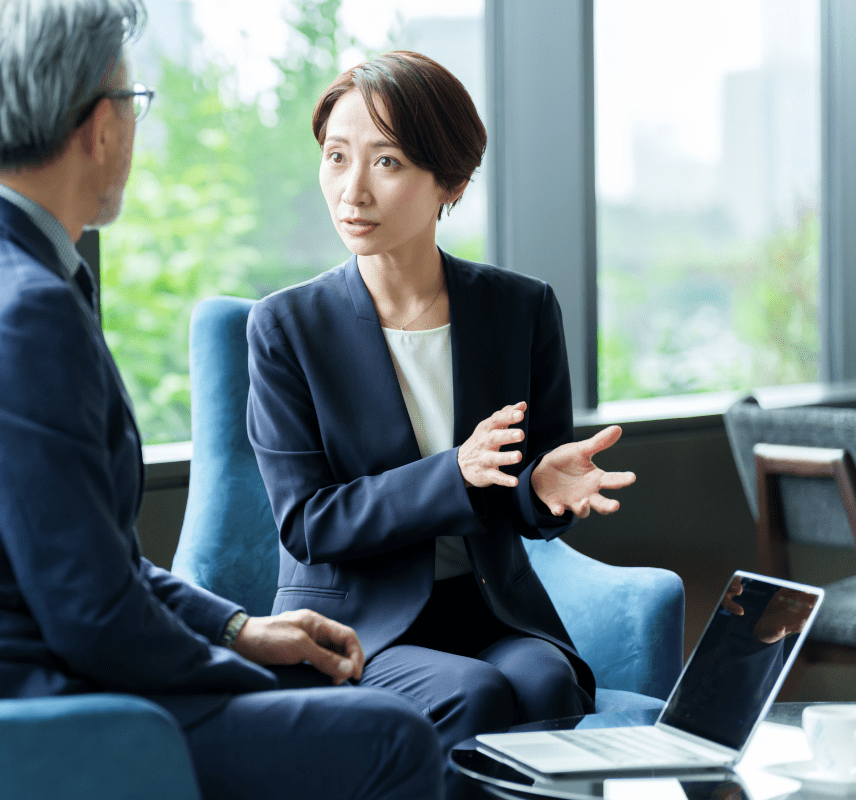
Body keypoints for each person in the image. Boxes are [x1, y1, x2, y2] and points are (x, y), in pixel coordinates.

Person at [0, 4, 442, 799]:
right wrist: (251, 678)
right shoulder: (23, 308)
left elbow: (89, 567)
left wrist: (239, 628)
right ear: (99, 127)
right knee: (390, 737)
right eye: (132, 101)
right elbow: (92, 617)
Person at [246, 51, 637, 798]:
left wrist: (541, 491)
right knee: (475, 694)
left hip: (487, 607)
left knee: (547, 679)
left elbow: (520, 493)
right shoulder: (287, 328)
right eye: (336, 157)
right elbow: (307, 521)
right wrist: (451, 471)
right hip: (358, 625)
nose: (351, 190)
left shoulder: (519, 310)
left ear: (450, 182)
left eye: (385, 161)